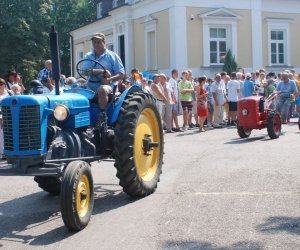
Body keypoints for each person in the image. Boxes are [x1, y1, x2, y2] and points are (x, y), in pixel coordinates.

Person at [84, 33, 125, 113]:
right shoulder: (88, 56)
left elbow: (121, 73)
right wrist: (102, 71)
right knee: (74, 90)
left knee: (102, 89)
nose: (96, 44)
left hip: (108, 86)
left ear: (104, 42)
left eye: (98, 42)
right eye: (94, 42)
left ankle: (103, 116)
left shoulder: (112, 56)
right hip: (90, 86)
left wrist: (109, 80)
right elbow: (84, 71)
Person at [0, 78, 10, 160]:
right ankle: (3, 153)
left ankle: (8, 151)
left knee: (8, 134)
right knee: (1, 135)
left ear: (4, 85)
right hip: (0, 117)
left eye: (1, 84)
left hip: (9, 116)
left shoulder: (9, 93)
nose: (0, 86)